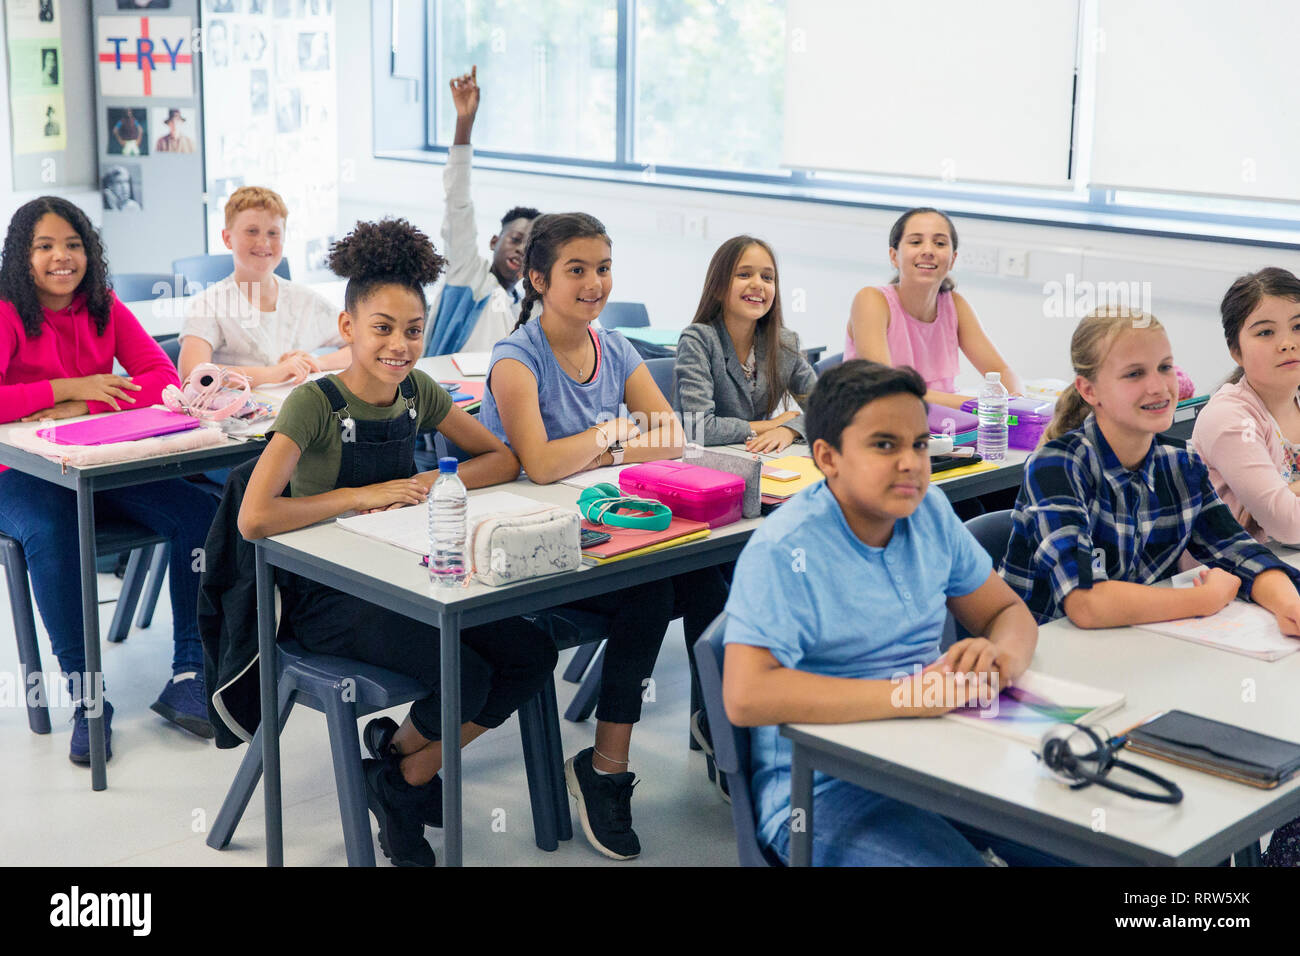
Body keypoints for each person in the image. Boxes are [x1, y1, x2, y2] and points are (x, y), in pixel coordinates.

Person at [237, 218, 553, 868]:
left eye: (413, 330)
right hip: (330, 599)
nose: (400, 344)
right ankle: (405, 776)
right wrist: (361, 496)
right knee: (465, 674)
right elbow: (254, 518)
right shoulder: (314, 404)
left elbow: (500, 460)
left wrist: (427, 479)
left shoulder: (417, 391)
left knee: (530, 651)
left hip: (409, 575)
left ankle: (401, 772)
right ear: (348, 329)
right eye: (383, 328)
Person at [723, 360, 1051, 866]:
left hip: (934, 752)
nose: (911, 463)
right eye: (885, 445)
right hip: (821, 787)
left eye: (919, 444)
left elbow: (1006, 610)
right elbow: (747, 695)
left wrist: (998, 659)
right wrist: (911, 696)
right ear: (827, 458)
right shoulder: (786, 548)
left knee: (1099, 849)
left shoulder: (930, 511)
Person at [479, 212, 729, 858]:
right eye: (577, 271)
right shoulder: (516, 360)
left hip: (597, 537)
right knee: (646, 595)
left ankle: (720, 730)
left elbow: (672, 435)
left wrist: (597, 450)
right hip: (528, 559)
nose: (595, 284)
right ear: (536, 279)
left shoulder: (613, 347)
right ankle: (605, 770)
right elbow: (538, 463)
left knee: (709, 572)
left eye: (604, 268)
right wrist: (615, 436)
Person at [0, 197, 219, 764]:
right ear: (22, 256)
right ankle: (87, 697)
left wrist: (84, 408)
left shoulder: (104, 306)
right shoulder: (6, 312)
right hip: (17, 473)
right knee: (52, 533)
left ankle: (189, 671)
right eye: (44, 246)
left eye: (73, 244)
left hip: (98, 464)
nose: (61, 258)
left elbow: (162, 378)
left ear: (89, 251)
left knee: (198, 514)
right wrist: (70, 389)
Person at [1000, 306, 1300, 631]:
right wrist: (1204, 600)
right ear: (1089, 390)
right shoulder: (1057, 466)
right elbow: (1085, 602)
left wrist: (1289, 605)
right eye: (1134, 374)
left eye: (1165, 367)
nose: (1158, 387)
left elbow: (1239, 552)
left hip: (1129, 645)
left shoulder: (1180, 463)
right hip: (1043, 655)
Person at [846, 207, 1023, 410]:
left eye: (939, 243)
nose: (928, 251)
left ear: (953, 259)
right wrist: (981, 405)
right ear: (894, 256)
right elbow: (889, 389)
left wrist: (1017, 400)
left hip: (940, 429)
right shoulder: (871, 300)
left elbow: (1001, 370)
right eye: (915, 242)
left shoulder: (955, 305)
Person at [179, 186, 349, 388]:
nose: (263, 241)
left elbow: (362, 347)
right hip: (240, 415)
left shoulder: (305, 299)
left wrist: (317, 363)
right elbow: (193, 374)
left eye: (273, 233)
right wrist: (273, 374)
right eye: (252, 231)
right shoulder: (209, 304)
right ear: (227, 238)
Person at [424, 66, 539, 356]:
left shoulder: (526, 305)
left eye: (529, 247)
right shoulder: (467, 274)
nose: (520, 251)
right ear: (493, 241)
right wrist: (465, 122)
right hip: (445, 393)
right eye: (514, 239)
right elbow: (458, 202)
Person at [673, 235, 817, 454]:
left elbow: (826, 409)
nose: (758, 284)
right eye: (744, 274)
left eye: (767, 277)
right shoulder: (698, 340)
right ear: (718, 288)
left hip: (759, 458)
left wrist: (789, 430)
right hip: (704, 464)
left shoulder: (785, 343)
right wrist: (770, 425)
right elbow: (699, 429)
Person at [1192, 268, 1300, 546]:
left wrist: (1291, 493)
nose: (1288, 344)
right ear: (1235, 351)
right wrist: (1286, 501)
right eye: (1265, 332)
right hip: (1228, 577)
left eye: (1298, 326)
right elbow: (1289, 526)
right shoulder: (1230, 417)